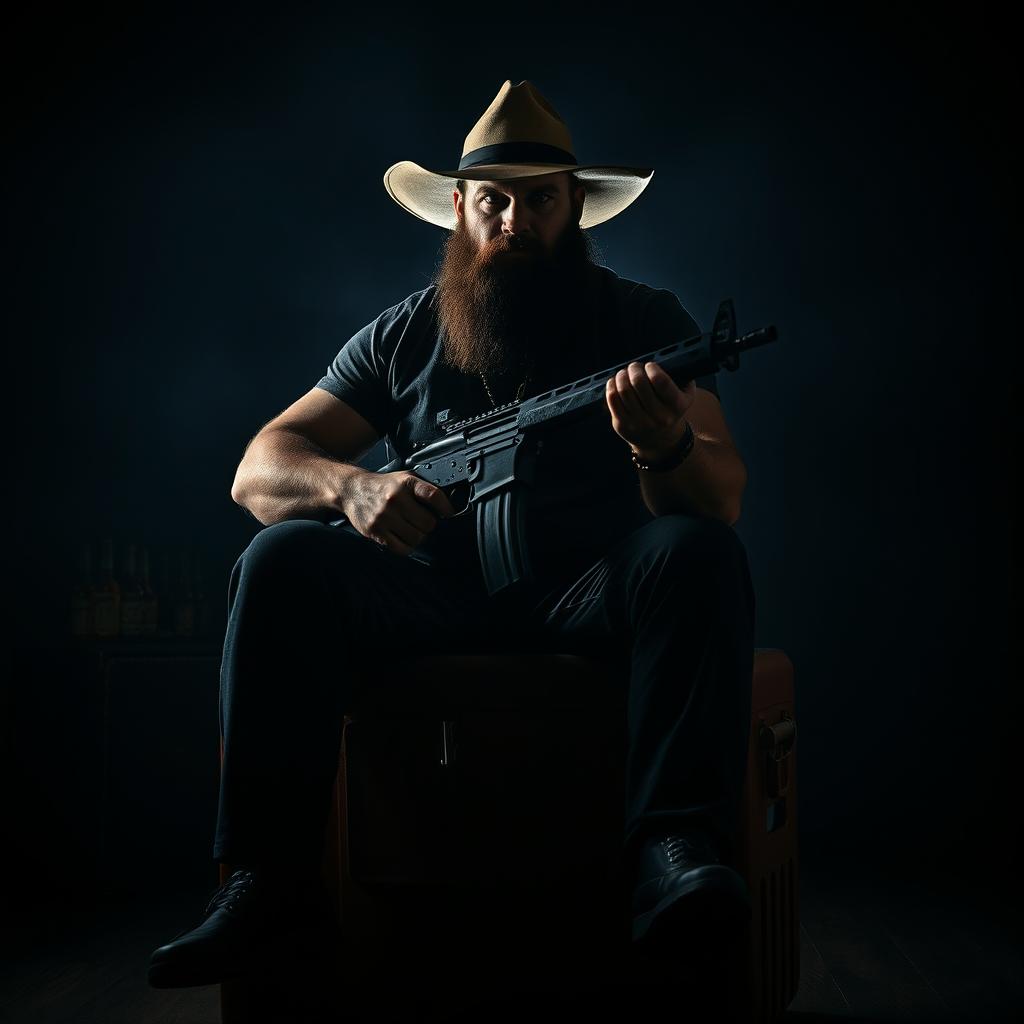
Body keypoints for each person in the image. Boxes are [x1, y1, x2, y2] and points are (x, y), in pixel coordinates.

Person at [148, 79, 756, 990]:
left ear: (576, 206)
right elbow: (259, 468)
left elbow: (720, 498)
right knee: (280, 557)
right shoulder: (405, 334)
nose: (514, 220)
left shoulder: (644, 323)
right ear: (460, 213)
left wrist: (664, 445)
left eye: (539, 198)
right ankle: (266, 879)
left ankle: (673, 851)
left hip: (587, 592)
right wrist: (352, 489)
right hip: (425, 598)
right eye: (492, 201)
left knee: (693, 552)